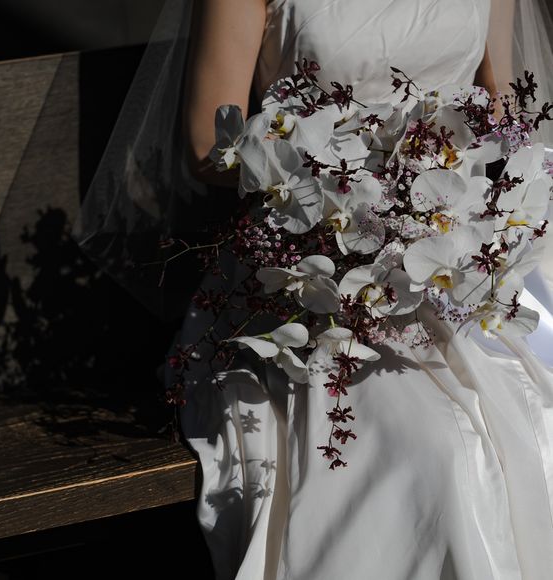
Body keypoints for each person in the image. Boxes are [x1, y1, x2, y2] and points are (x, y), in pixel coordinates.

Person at [173, 1, 553, 579]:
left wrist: (452, 204)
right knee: (436, 452)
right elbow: (209, 144)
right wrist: (349, 186)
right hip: (316, 267)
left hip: (455, 250)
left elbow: (497, 109)